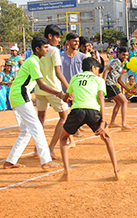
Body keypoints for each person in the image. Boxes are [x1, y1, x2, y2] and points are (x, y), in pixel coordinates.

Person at [3, 36, 63, 169]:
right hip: (20, 95)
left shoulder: (34, 61)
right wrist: (58, 93)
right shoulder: (33, 62)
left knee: (26, 131)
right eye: (45, 47)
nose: (47, 49)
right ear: (37, 49)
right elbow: (41, 85)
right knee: (37, 127)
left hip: (17, 95)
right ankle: (46, 161)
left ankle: (10, 161)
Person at [59, 57, 120, 182]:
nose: (98, 71)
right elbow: (101, 99)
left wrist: (66, 97)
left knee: (63, 138)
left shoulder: (75, 78)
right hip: (93, 111)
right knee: (107, 138)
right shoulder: (98, 79)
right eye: (98, 69)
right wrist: (103, 120)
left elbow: (65, 99)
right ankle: (116, 171)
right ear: (93, 68)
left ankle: (67, 173)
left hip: (77, 111)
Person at [34, 24, 75, 160]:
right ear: (50, 37)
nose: (59, 40)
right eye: (57, 37)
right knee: (64, 117)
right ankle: (50, 148)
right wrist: (69, 89)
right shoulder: (53, 51)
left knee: (41, 118)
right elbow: (58, 73)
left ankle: (37, 148)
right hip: (53, 89)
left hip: (39, 89)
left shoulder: (37, 50)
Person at [61, 33, 88, 137]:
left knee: (77, 109)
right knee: (65, 111)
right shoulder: (61, 57)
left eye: (78, 41)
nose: (77, 43)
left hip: (79, 88)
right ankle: (71, 131)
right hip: (65, 89)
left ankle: (75, 128)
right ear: (68, 42)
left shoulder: (83, 57)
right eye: (74, 41)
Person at [103, 47, 137, 129]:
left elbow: (119, 80)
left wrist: (128, 90)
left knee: (119, 102)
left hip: (112, 83)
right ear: (119, 54)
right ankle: (124, 124)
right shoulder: (117, 61)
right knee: (124, 101)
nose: (125, 57)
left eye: (126, 55)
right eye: (123, 55)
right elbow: (106, 70)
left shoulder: (122, 65)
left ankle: (112, 122)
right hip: (109, 83)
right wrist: (103, 83)